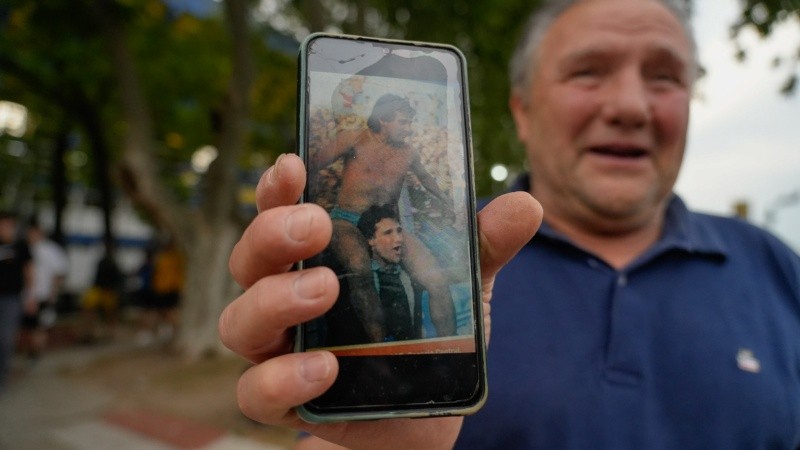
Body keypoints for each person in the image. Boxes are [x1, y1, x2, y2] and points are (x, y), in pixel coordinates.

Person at [218, 0, 800, 449]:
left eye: (666, 77)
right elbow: (320, 165)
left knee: (437, 279)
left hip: (396, 222)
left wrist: (431, 205)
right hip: (347, 221)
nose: (630, 105)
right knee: (355, 276)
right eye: (589, 72)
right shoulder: (478, 244)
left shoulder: (779, 268)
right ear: (521, 110)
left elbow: (423, 186)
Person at [311, 93, 456, 342]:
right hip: (347, 220)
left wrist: (446, 201)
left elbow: (426, 178)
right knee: (358, 266)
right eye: (403, 122)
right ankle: (378, 348)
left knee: (437, 280)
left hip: (388, 225)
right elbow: (313, 163)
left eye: (410, 123)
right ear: (383, 120)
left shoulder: (409, 153)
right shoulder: (355, 138)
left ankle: (453, 351)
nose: (408, 129)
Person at [356, 204, 420, 342]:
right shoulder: (364, 282)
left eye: (399, 231)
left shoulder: (408, 278)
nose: (399, 239)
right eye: (388, 233)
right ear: (371, 240)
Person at [19, 219, 68, 360]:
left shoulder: (50, 250)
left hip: (43, 295)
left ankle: (36, 351)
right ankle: (30, 350)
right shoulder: (24, 248)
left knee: (40, 325)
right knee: (28, 326)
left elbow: (59, 273)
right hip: (25, 296)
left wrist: (53, 292)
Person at [0, 211, 34, 393]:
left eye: (7, 225)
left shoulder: (21, 246)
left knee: (5, 339)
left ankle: (2, 378)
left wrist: (30, 296)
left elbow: (29, 272)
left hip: (11, 298)